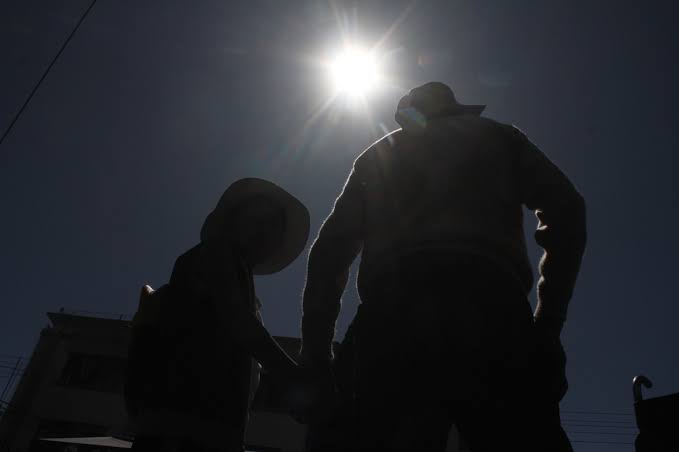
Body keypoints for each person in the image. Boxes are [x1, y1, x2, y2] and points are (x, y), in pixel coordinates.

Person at [299, 82, 586, 452]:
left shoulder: (379, 155)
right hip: (493, 311)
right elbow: (568, 209)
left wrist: (318, 357)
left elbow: (330, 252)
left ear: (409, 113)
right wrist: (548, 325)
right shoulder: (499, 138)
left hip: (392, 315)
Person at [125, 178, 310, 452]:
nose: (265, 230)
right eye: (256, 219)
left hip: (200, 434)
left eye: (274, 225)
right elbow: (237, 320)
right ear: (233, 221)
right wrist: (293, 380)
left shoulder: (248, 295)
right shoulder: (216, 253)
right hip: (180, 434)